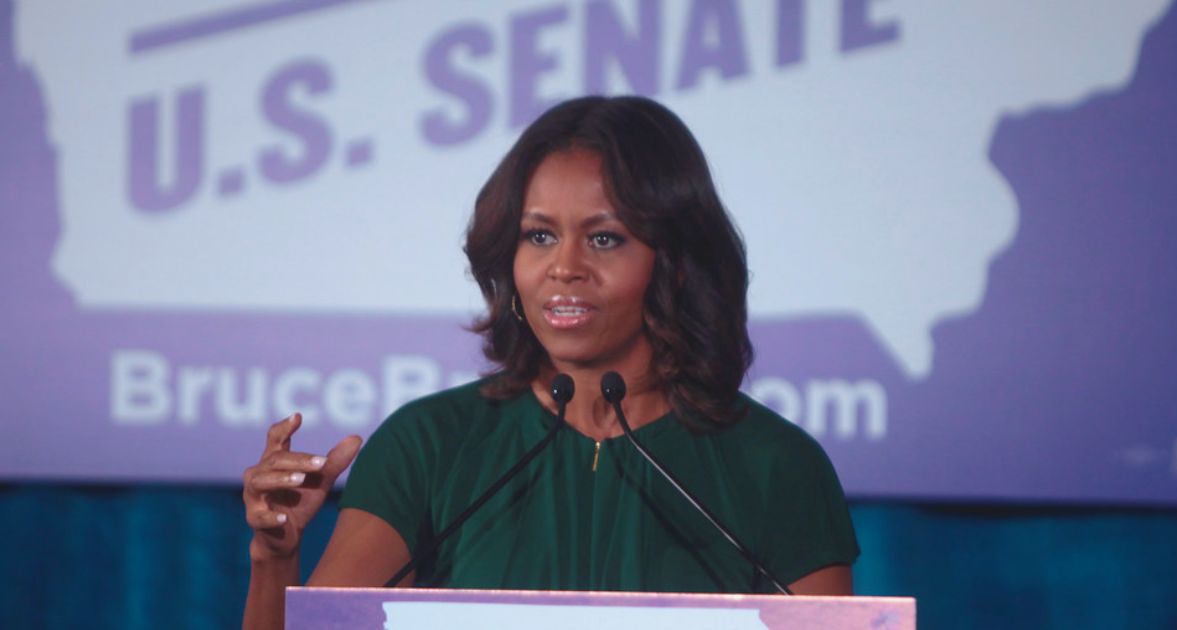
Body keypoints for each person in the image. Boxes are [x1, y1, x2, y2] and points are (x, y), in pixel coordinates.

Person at [242, 96, 859, 629]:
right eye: (539, 236)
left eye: (604, 238)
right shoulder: (427, 445)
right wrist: (274, 559)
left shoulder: (776, 465)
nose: (564, 268)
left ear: (673, 264)